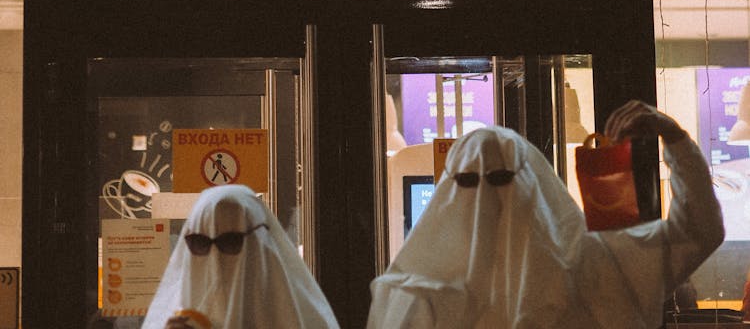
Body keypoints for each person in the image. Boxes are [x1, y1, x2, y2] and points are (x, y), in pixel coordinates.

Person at [366, 100, 724, 329]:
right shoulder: (602, 267)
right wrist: (675, 140)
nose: (488, 204)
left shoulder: (407, 298)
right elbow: (698, 230)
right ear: (536, 181)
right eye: (472, 182)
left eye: (500, 180)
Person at [143, 184, 340, 329]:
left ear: (259, 242)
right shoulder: (168, 321)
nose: (215, 258)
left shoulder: (306, 320)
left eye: (230, 241)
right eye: (200, 243)